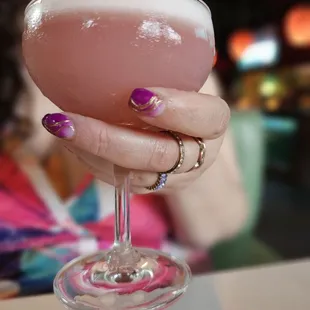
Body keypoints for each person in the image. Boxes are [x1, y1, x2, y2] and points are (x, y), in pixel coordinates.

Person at [0, 0, 247, 298]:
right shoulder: (42, 36)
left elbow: (219, 227)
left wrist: (179, 164)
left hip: (156, 294)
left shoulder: (173, 43)